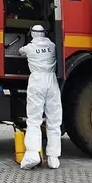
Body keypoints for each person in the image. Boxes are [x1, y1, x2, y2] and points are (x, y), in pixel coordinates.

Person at [18, 24, 63, 170]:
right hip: (51, 80)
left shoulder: (29, 48)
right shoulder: (53, 46)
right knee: (54, 120)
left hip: (37, 81)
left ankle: (32, 154)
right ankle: (53, 157)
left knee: (34, 119)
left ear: (32, 34)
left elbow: (20, 52)